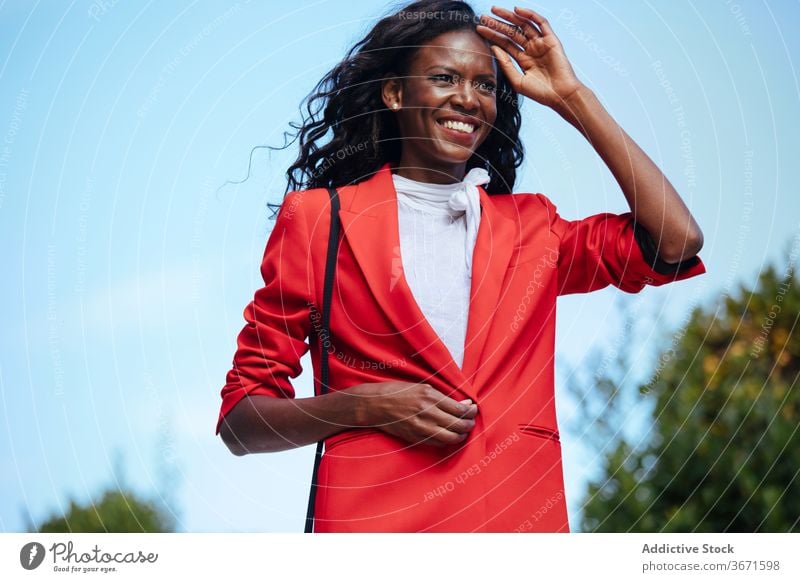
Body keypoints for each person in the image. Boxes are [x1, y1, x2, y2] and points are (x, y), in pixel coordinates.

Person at [215, 0, 706, 532]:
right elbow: (243, 420)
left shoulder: (533, 228)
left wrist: (573, 98)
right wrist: (364, 406)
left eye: (486, 86)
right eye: (445, 78)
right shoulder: (319, 222)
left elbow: (677, 239)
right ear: (395, 93)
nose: (468, 99)